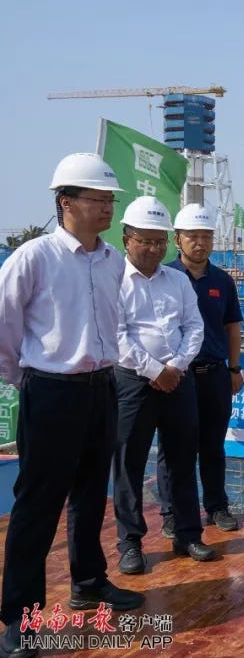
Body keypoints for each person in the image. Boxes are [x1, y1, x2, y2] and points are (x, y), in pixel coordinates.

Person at [0, 154, 144, 658]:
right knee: (36, 507)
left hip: (101, 388)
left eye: (110, 200)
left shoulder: (112, 262)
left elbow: (118, 324)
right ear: (66, 203)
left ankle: (87, 581)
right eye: (99, 199)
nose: (108, 208)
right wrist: (32, 379)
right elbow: (4, 329)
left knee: (89, 495)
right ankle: (22, 619)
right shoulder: (34, 258)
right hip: (52, 392)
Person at [112, 196, 215, 575]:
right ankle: (130, 543)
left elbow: (194, 326)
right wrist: (155, 370)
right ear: (127, 239)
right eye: (145, 240)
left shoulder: (178, 281)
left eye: (159, 241)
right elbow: (117, 335)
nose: (154, 248)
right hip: (133, 382)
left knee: (183, 458)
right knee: (129, 463)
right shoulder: (115, 281)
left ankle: (187, 533)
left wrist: (175, 366)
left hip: (177, 381)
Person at [157, 203, 243, 538]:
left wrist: (234, 367)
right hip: (177, 375)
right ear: (177, 239)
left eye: (206, 236)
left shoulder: (222, 280)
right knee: (173, 447)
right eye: (192, 236)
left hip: (214, 374)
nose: (200, 242)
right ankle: (171, 512)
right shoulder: (164, 277)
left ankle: (217, 506)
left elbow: (232, 326)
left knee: (212, 444)